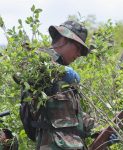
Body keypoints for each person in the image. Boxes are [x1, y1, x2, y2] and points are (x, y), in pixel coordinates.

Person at [19, 20, 94, 150]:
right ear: (64, 39)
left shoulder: (67, 80)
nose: (78, 55)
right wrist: (59, 70)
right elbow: (23, 69)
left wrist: (98, 130)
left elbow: (73, 116)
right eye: (78, 48)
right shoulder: (38, 60)